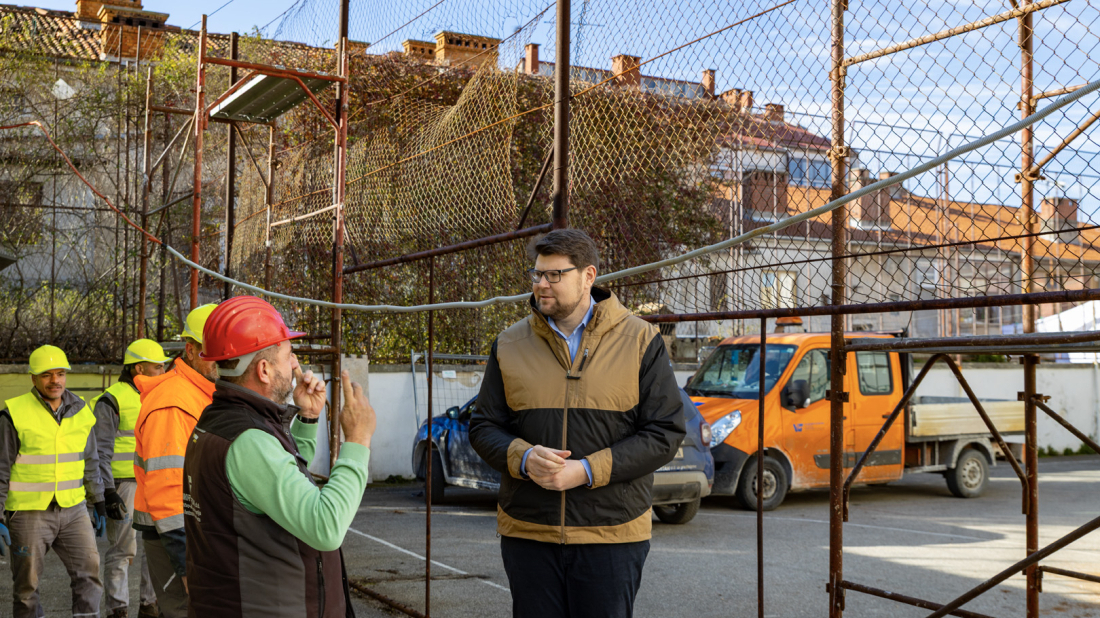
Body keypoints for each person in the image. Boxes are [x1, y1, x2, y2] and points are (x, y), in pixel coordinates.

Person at [469, 229, 685, 618]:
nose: (541, 284)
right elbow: (483, 426)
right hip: (529, 532)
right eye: (536, 274)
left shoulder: (640, 339)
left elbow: (664, 433)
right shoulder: (509, 344)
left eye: (555, 275)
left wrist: (586, 470)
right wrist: (522, 457)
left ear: (588, 276)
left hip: (612, 535)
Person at [183, 295, 376, 618]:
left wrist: (308, 419)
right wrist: (358, 440)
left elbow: (277, 482)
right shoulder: (248, 439)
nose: (295, 364)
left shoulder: (223, 421)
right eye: (288, 355)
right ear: (264, 369)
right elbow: (325, 527)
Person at [0, 344, 105, 618]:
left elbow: (91, 461)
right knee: (27, 587)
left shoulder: (82, 411)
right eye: (46, 375)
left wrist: (100, 500)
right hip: (28, 513)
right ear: (33, 378)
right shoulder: (13, 413)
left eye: (60, 373)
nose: (55, 380)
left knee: (89, 575)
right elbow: (0, 468)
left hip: (74, 510)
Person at [133, 304, 218, 618]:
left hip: (196, 531)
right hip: (177, 537)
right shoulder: (173, 401)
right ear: (191, 350)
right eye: (214, 352)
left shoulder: (202, 392)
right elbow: (168, 488)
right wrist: (185, 564)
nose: (224, 359)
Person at [91, 338, 170, 618]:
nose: (163, 372)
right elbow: (99, 450)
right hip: (124, 486)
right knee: (123, 550)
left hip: (154, 485)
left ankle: (149, 606)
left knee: (155, 549)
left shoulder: (160, 396)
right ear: (139, 369)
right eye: (157, 367)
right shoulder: (111, 399)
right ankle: (117, 610)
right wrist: (107, 493)